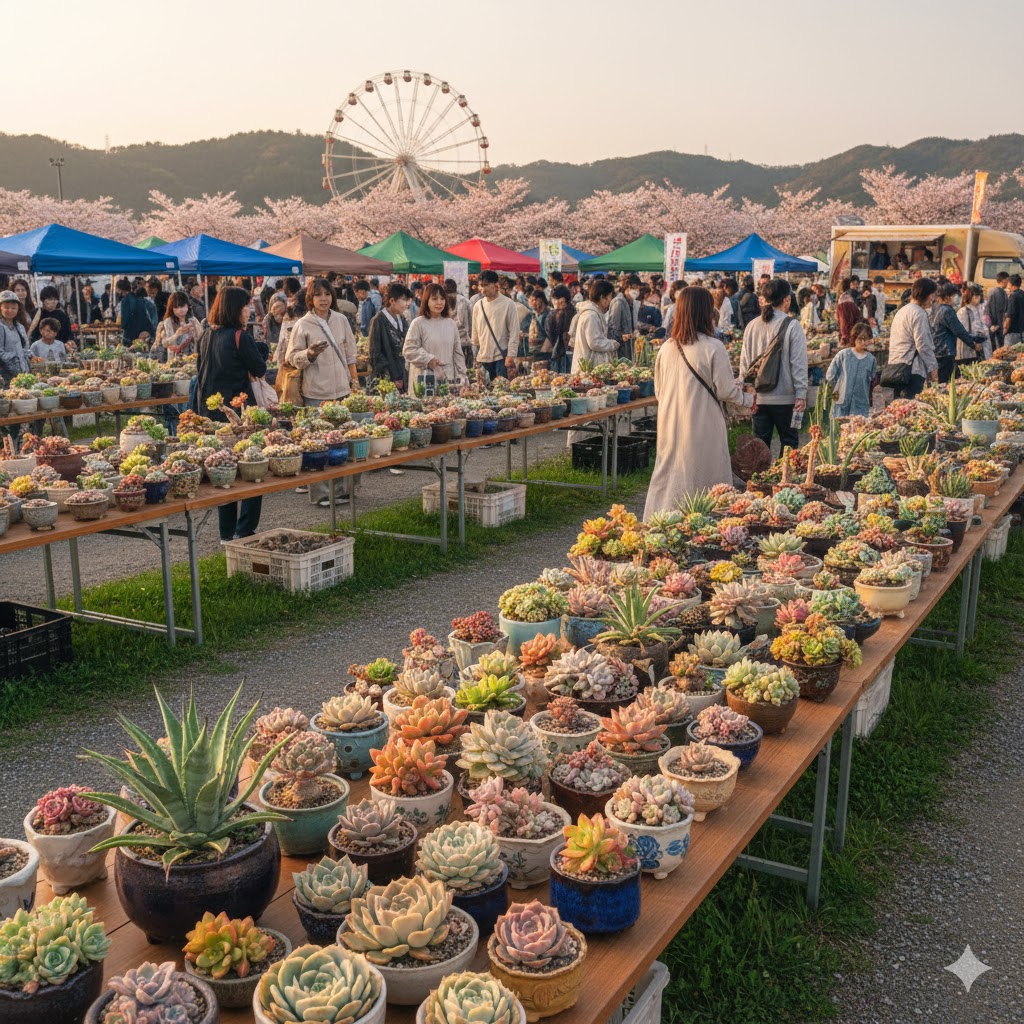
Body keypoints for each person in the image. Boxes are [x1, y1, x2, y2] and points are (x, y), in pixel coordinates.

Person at [643, 287, 753, 518]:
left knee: (671, 476)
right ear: (706, 312)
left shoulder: (666, 348)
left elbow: (659, 391)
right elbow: (725, 390)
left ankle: (661, 524)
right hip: (704, 425)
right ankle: (706, 532)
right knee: (705, 481)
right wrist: (748, 399)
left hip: (670, 424)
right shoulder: (714, 348)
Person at [191, 287, 267, 541]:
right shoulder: (239, 336)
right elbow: (259, 367)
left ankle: (226, 534)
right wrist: (261, 348)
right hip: (240, 415)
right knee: (250, 468)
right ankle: (244, 530)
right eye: (246, 306)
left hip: (211, 413)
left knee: (224, 471)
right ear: (236, 308)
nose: (249, 311)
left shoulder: (205, 336)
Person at [286, 277, 360, 507]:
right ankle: (321, 494)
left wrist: (354, 381)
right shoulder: (303, 324)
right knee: (318, 443)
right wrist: (309, 353)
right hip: (316, 390)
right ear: (310, 298)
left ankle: (346, 489)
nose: (324, 299)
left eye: (327, 294)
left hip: (342, 389)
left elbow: (350, 354)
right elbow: (291, 357)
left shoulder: (340, 320)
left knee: (346, 440)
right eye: (318, 295)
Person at [739, 279, 809, 452]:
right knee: (789, 447)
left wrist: (747, 389)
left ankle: (760, 479)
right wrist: (801, 393)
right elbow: (798, 363)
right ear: (787, 299)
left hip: (758, 398)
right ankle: (784, 479)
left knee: (760, 450)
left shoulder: (752, 326)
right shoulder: (793, 325)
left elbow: (745, 363)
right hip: (786, 398)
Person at [403, 282, 466, 394]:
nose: (439, 302)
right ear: (426, 300)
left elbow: (458, 353)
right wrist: (430, 361)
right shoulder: (418, 323)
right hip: (424, 382)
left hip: (448, 381)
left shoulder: (451, 324)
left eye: (442, 298)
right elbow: (408, 350)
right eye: (434, 299)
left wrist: (463, 376)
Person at [887, 277, 939, 398]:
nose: (933, 298)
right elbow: (923, 345)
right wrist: (933, 368)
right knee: (911, 408)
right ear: (925, 294)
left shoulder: (902, 311)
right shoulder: (919, 313)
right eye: (932, 295)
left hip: (896, 367)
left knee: (899, 407)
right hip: (912, 370)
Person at [471, 269, 520, 380]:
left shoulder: (508, 304)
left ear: (496, 285)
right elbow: (475, 334)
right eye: (481, 285)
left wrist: (511, 355)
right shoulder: (478, 306)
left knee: (501, 393)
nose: (483, 289)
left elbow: (514, 332)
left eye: (486, 285)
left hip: (501, 357)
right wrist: (476, 356)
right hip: (483, 357)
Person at [826, 322, 877, 418]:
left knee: (858, 430)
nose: (864, 342)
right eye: (861, 338)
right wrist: (838, 390)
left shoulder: (871, 360)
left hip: (860, 404)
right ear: (854, 337)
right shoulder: (843, 355)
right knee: (839, 428)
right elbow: (830, 376)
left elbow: (871, 381)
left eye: (867, 338)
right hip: (841, 403)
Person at [368, 283, 412, 387]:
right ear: (392, 301)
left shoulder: (402, 320)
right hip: (386, 381)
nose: (407, 304)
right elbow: (375, 354)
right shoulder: (378, 320)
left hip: (402, 377)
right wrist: (390, 377)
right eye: (404, 300)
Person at [929, 284, 973, 382]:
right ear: (948, 297)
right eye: (955, 296)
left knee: (935, 382)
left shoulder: (934, 308)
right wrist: (973, 343)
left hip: (934, 351)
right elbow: (959, 330)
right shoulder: (947, 311)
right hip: (945, 352)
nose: (956, 299)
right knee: (945, 383)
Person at [570, 279, 618, 371]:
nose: (611, 301)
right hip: (587, 371)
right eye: (610, 296)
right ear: (602, 298)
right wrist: (612, 344)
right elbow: (594, 342)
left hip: (591, 369)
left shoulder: (594, 313)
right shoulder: (591, 315)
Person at [153, 291, 202, 361]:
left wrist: (194, 335)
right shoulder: (167, 322)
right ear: (171, 308)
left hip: (192, 360)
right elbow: (164, 343)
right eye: (176, 307)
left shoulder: (193, 320)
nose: (180, 309)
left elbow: (201, 338)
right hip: (173, 361)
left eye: (182, 306)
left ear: (187, 305)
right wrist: (177, 334)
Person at [0, 289, 31, 386]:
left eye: (13, 308)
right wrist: (16, 356)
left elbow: (25, 349)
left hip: (23, 376)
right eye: (6, 307)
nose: (10, 310)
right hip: (5, 377)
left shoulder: (19, 327)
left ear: (18, 309)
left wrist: (31, 356)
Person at [607, 274, 640, 358]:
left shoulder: (632, 303)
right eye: (635, 288)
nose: (637, 291)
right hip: (620, 348)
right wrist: (622, 336)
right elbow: (612, 328)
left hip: (630, 347)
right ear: (628, 287)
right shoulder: (618, 302)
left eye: (638, 288)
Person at [956, 283, 988, 366]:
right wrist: (974, 343)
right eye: (976, 297)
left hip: (978, 348)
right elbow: (962, 332)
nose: (978, 299)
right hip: (967, 350)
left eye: (979, 296)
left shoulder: (980, 308)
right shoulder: (964, 311)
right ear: (969, 297)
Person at [545, 285, 575, 374]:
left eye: (558, 299)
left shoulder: (572, 312)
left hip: (569, 354)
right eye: (554, 299)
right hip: (556, 354)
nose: (556, 302)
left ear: (565, 299)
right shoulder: (552, 314)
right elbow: (549, 333)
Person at [518, 288, 551, 367]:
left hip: (544, 354)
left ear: (541, 300)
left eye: (534, 300)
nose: (531, 303)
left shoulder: (549, 316)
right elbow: (530, 332)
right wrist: (523, 334)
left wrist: (543, 352)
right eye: (530, 300)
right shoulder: (531, 316)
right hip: (533, 353)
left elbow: (549, 336)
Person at [445, 278, 473, 369]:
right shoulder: (450, 300)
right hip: (453, 342)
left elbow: (461, 322)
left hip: (464, 342)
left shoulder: (462, 301)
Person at [986, 271, 1009, 350]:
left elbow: (988, 308)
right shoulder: (1000, 293)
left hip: (994, 323)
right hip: (997, 324)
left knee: (994, 346)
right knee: (999, 346)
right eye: (1007, 280)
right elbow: (998, 310)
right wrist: (995, 324)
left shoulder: (992, 291)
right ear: (1003, 281)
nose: (1008, 282)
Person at [1002, 274, 1024, 345]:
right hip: (1021, 331)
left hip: (1012, 332)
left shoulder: (1013, 296)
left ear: (1011, 284)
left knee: (1008, 354)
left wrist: (1005, 329)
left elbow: (1009, 315)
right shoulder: (1022, 293)